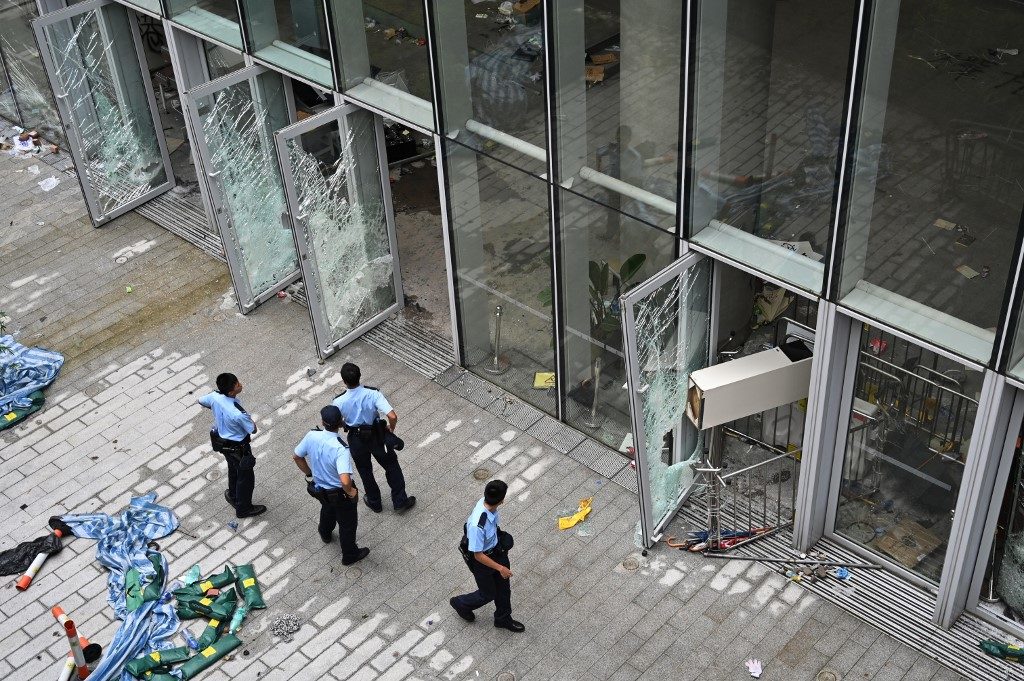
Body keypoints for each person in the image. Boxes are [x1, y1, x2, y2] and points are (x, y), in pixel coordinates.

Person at [332, 363, 415, 514]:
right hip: (376, 435)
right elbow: (392, 416)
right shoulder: (373, 393)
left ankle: (375, 502)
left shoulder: (338, 401)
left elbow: (337, 421)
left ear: (344, 381)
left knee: (365, 471)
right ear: (360, 376)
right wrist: (391, 428)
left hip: (356, 439)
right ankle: (399, 501)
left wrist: (345, 424)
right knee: (391, 466)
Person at [293, 406, 369, 566]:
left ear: (323, 422)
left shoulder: (312, 435)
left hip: (320, 489)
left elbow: (297, 456)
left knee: (327, 509)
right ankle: (349, 555)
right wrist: (351, 492)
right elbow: (345, 480)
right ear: (340, 423)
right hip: (339, 493)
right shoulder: (341, 449)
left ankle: (325, 532)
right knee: (348, 524)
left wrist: (309, 474)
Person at [450, 480, 524, 632]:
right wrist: (500, 568)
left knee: (504, 589)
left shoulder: (486, 505)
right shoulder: (478, 526)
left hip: (497, 552)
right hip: (483, 562)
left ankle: (503, 619)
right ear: (502, 500)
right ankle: (461, 603)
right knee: (487, 594)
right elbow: (478, 555)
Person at [198, 373, 266, 518]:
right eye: (237, 384)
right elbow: (252, 429)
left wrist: (218, 410)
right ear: (230, 391)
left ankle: (233, 495)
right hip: (239, 447)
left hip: (223, 443)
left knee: (233, 470)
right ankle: (243, 509)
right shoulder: (238, 413)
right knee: (246, 479)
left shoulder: (215, 397)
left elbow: (201, 400)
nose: (240, 384)